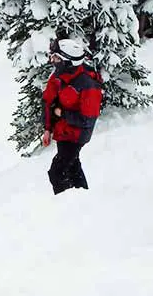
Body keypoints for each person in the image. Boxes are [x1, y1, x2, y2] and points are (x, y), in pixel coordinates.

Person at [41, 39, 102, 195]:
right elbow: (48, 101)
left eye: (56, 58)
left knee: (57, 172)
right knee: (73, 167)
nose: (52, 61)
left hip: (76, 135)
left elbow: (87, 119)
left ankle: (66, 205)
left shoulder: (88, 84)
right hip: (63, 131)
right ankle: (82, 198)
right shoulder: (58, 76)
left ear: (68, 61)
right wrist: (47, 129)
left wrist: (62, 114)